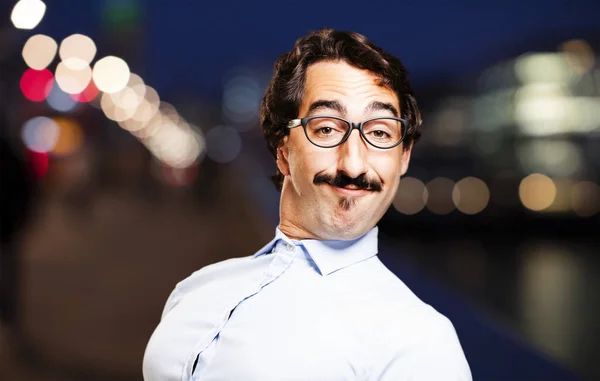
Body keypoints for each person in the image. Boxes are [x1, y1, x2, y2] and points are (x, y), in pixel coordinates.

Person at [143, 28, 471, 381]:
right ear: (283, 151)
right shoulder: (196, 288)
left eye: (380, 133)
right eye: (327, 129)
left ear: (403, 157)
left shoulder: (420, 343)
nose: (354, 165)